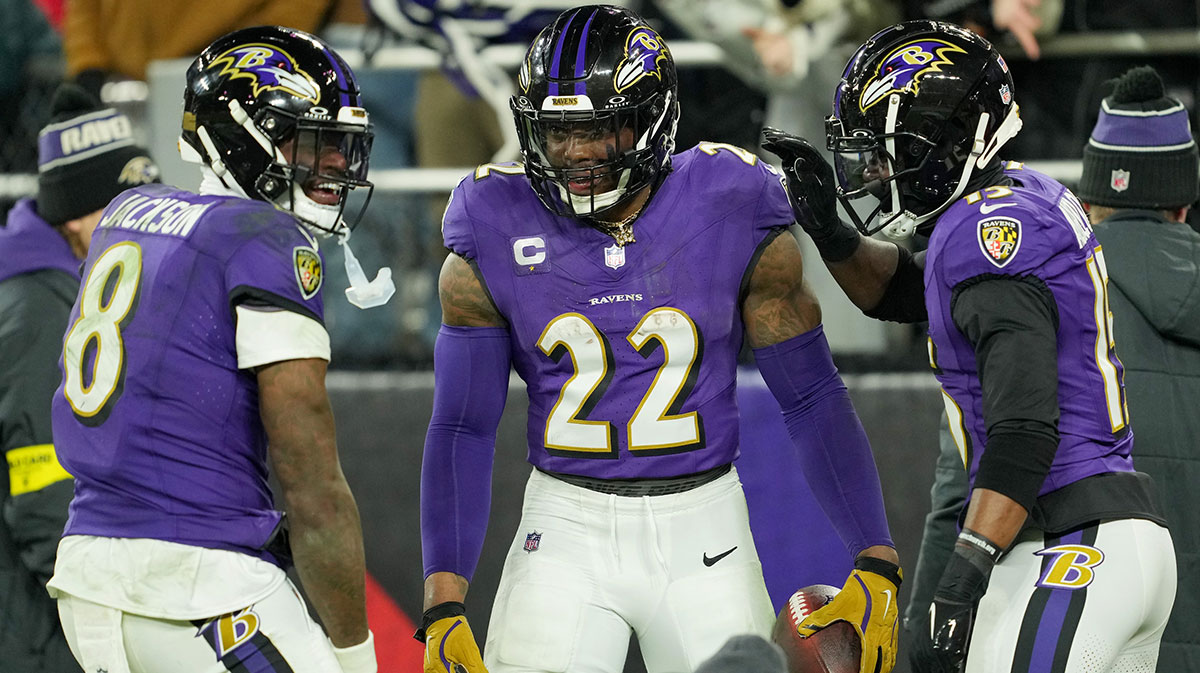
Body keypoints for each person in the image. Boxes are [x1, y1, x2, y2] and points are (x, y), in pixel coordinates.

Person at [417, 6, 902, 673]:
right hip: (563, 527)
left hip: (704, 526)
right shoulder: (491, 218)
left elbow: (812, 395)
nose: (576, 153)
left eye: (597, 129)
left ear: (650, 118)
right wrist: (444, 600)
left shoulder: (729, 198)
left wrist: (875, 553)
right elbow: (463, 425)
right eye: (558, 132)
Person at [762, 20, 1177, 673]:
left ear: (954, 141)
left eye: (892, 148)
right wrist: (834, 236)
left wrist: (961, 575)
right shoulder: (1017, 198)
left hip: (1068, 542)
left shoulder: (986, 232)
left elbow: (1024, 429)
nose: (875, 168)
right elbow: (906, 292)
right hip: (1104, 540)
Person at [45, 25, 381, 673]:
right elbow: (310, 484)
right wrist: (357, 651)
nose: (335, 162)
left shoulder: (128, 212)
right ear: (238, 135)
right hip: (195, 582)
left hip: (88, 570)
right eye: (307, 139)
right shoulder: (265, 237)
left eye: (339, 144)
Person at [1, 82, 159, 673]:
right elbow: (46, 497)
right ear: (78, 216)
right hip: (43, 635)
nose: (142, 219)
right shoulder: (43, 313)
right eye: (125, 204)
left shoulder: (70, 293)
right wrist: (96, 635)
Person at [1074, 65, 1200, 673]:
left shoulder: (1036, 295)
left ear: (1091, 197)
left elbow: (963, 489)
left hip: (1088, 641)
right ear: (1185, 199)